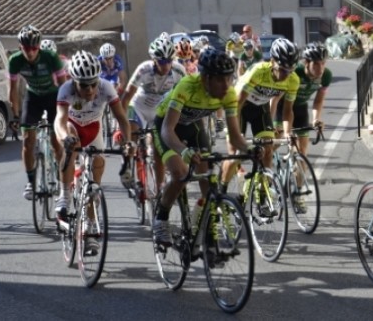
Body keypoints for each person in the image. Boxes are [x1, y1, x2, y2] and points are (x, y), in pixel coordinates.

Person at [151, 47, 252, 246]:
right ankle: (161, 218)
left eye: (229, 78)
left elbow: (234, 135)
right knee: (180, 174)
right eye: (220, 80)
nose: (226, 85)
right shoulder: (187, 86)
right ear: (205, 78)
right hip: (166, 125)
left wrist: (249, 150)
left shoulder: (229, 94)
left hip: (193, 126)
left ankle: (207, 227)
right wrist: (184, 151)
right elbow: (167, 130)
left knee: (207, 178)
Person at [54, 50, 131, 252]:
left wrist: (128, 142)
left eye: (93, 84)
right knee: (70, 145)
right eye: (84, 85)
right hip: (72, 126)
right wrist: (64, 137)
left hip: (93, 128)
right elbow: (59, 120)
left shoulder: (106, 88)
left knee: (95, 179)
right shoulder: (66, 89)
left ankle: (88, 225)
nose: (89, 90)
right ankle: (65, 195)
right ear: (74, 82)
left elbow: (122, 118)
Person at [220, 37, 300, 197]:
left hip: (259, 108)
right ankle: (221, 192)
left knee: (268, 149)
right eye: (283, 70)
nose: (286, 75)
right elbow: (238, 103)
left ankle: (262, 190)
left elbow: (287, 111)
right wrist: (235, 134)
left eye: (290, 70)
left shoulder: (293, 80)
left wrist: (287, 132)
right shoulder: (258, 71)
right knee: (236, 153)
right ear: (272, 61)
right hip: (240, 106)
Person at [119, 36, 187, 192]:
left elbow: (186, 97)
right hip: (139, 106)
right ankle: (127, 164)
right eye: (162, 62)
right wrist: (121, 125)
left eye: (169, 60)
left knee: (158, 148)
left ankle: (160, 188)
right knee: (133, 133)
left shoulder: (178, 71)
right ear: (154, 60)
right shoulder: (144, 69)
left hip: (159, 109)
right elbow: (126, 97)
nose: (166, 65)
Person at [8, 25, 67, 200]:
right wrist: (16, 115)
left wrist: (65, 113)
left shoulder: (50, 57)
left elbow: (64, 86)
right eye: (27, 48)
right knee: (27, 140)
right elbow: (12, 90)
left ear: (39, 46)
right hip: (32, 96)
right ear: (21, 48)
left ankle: (59, 172)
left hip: (53, 96)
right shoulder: (15, 61)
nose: (31, 52)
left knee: (56, 142)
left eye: (34, 48)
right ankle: (30, 181)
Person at [273, 42, 331, 157]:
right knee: (276, 143)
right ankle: (264, 161)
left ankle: (300, 173)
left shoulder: (326, 76)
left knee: (302, 152)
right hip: (282, 107)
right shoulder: (294, 73)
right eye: (316, 64)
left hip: (300, 108)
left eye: (323, 63)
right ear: (306, 62)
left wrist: (316, 119)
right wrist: (271, 122)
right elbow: (275, 98)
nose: (320, 68)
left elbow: (318, 101)